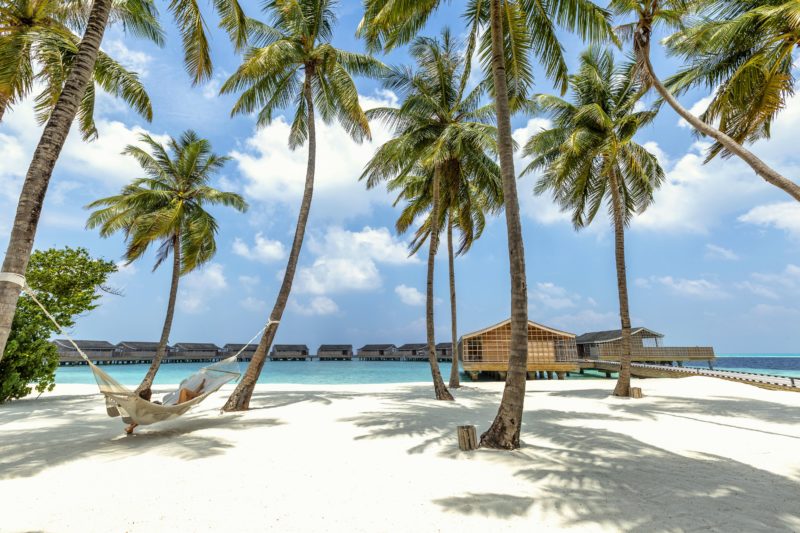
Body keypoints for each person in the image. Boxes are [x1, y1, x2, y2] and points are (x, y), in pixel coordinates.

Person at [124, 379, 206, 435]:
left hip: (172, 407)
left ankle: (199, 389)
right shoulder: (150, 407)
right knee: (184, 391)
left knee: (189, 397)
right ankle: (199, 394)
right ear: (148, 397)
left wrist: (131, 427)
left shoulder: (146, 408)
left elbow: (140, 418)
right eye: (150, 394)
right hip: (176, 408)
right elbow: (141, 418)